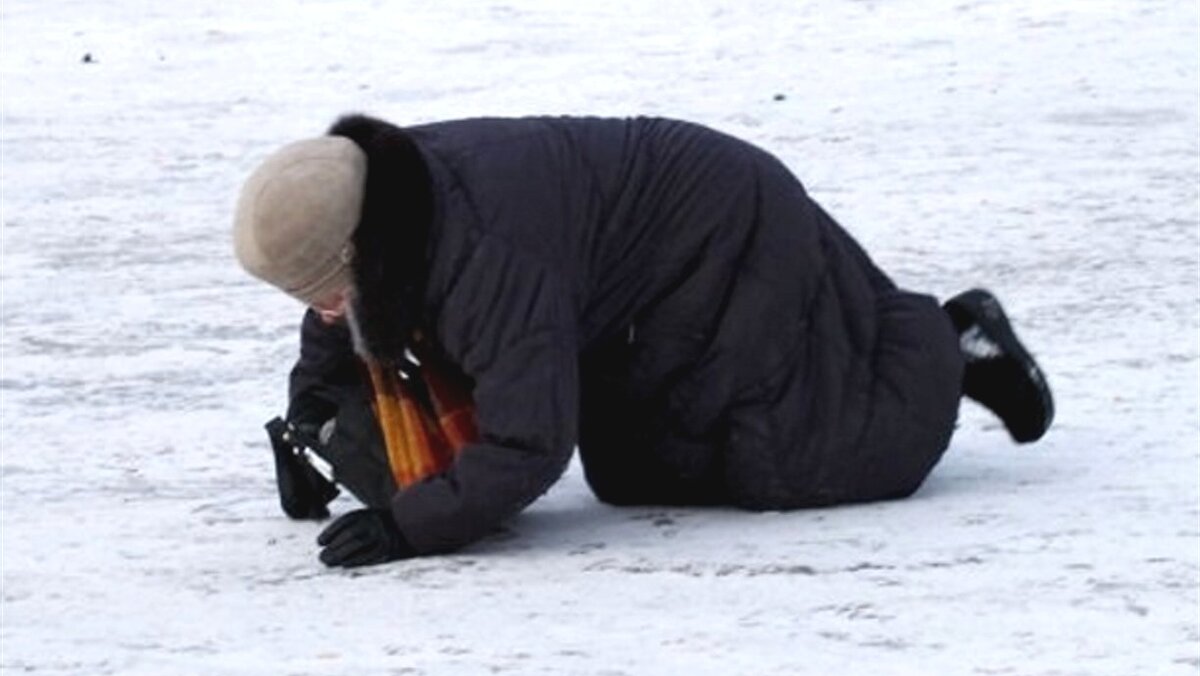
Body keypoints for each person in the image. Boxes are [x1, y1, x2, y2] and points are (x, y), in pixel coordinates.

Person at [233, 114, 1054, 568]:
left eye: (329, 294)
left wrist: (410, 528)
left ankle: (951, 344)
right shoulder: (386, 209)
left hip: (719, 230)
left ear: (361, 256)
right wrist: (311, 424)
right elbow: (343, 320)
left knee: (795, 456)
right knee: (635, 473)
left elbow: (529, 441)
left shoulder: (486, 261)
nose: (325, 313)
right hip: (640, 275)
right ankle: (916, 346)